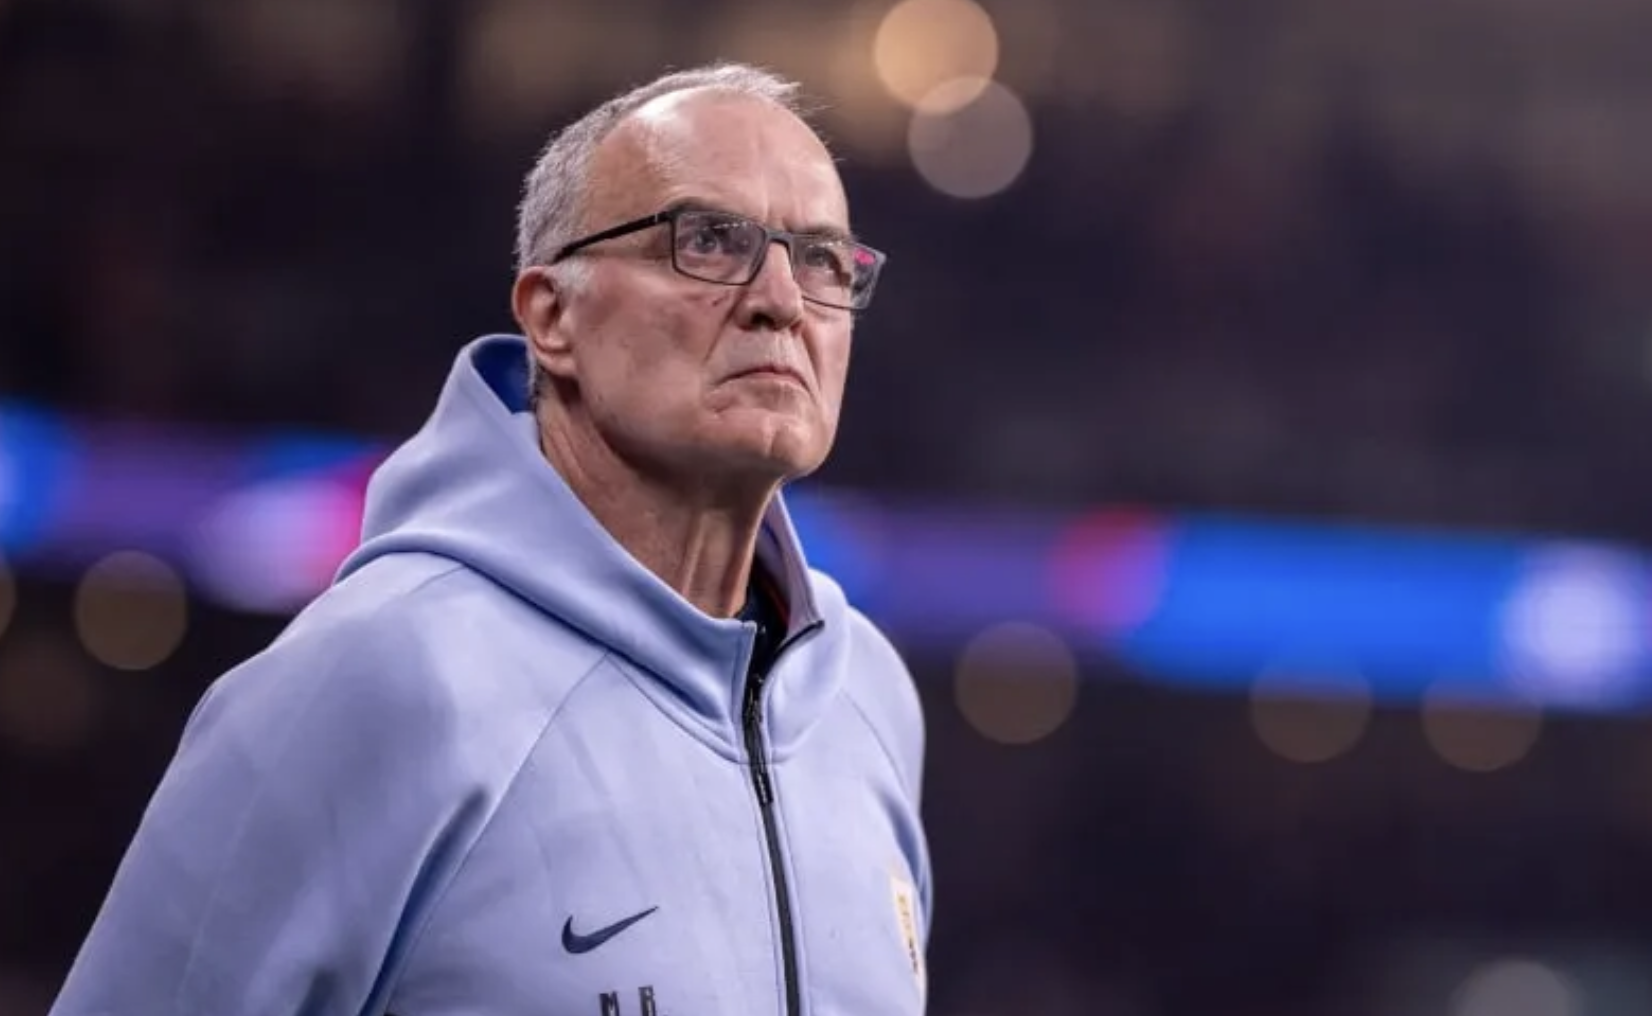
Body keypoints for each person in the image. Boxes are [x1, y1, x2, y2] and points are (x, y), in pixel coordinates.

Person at [49, 62, 932, 1016]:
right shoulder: (371, 676)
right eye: (710, 241)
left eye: (823, 260)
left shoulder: (868, 698)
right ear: (552, 316)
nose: (783, 301)